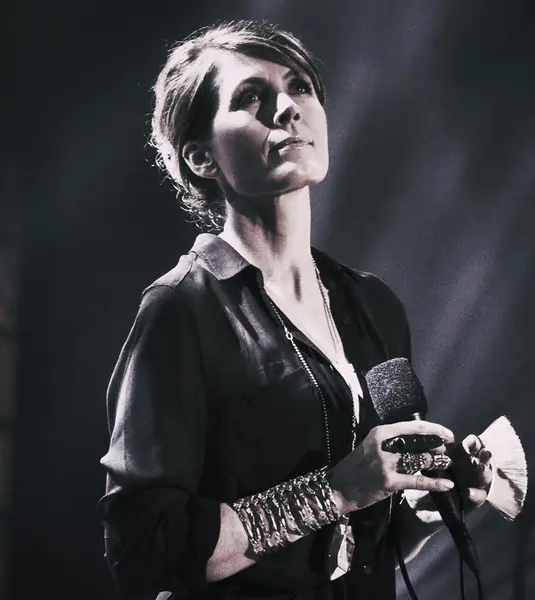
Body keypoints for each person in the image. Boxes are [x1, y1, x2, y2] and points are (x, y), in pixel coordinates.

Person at [98, 20, 492, 600]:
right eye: (251, 97)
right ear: (203, 158)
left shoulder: (372, 306)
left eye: (300, 87)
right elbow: (146, 550)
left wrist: (428, 510)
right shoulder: (181, 310)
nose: (287, 108)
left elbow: (356, 549)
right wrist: (337, 490)